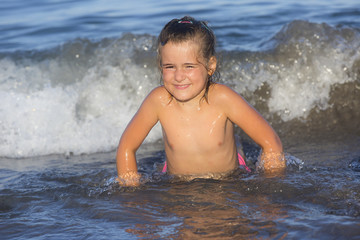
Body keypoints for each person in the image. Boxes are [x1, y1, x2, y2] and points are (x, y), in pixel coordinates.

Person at [116, 16, 285, 186]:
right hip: (178, 181)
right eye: (170, 67)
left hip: (229, 178)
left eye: (189, 66)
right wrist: (130, 187)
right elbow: (126, 147)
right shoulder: (158, 101)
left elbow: (271, 142)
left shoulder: (222, 98)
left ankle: (236, 144)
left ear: (210, 66)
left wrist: (270, 186)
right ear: (161, 66)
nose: (179, 76)